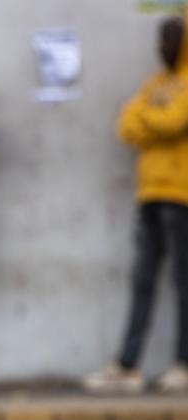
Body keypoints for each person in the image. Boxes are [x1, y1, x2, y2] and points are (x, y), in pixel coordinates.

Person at [84, 15, 188, 394]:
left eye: (172, 39)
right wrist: (151, 116)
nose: (163, 47)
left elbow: (173, 122)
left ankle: (184, 363)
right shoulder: (156, 84)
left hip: (182, 195)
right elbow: (126, 126)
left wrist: (148, 116)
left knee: (183, 281)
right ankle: (128, 364)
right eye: (161, 40)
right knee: (142, 280)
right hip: (149, 193)